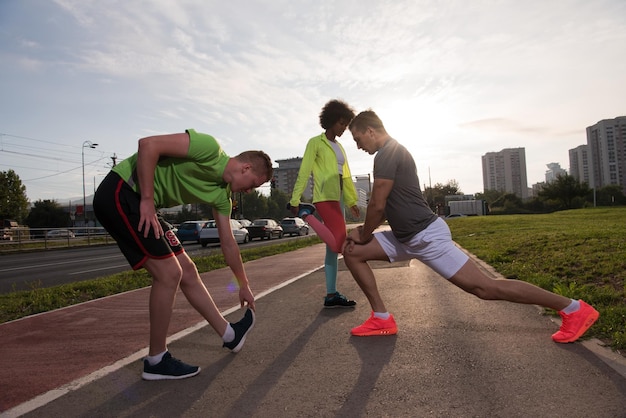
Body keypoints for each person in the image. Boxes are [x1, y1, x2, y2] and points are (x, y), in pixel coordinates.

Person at [343, 110, 599, 343]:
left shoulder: (388, 153)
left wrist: (364, 233)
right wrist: (363, 236)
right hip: (405, 237)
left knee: (485, 288)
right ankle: (381, 318)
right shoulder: (391, 153)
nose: (358, 145)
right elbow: (388, 205)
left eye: (357, 139)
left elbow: (377, 204)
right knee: (353, 252)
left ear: (370, 131)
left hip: (425, 236)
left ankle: (573, 309)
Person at [93, 129, 273, 380]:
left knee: (187, 271)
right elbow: (148, 145)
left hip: (145, 204)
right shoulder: (209, 148)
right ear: (244, 168)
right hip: (122, 191)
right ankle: (156, 360)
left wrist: (243, 285)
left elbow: (229, 243)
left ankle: (229, 335)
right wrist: (146, 199)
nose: (250, 191)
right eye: (253, 184)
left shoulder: (222, 197)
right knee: (170, 274)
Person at [288, 99, 361, 308]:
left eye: (346, 124)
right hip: (324, 198)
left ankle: (331, 295)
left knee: (331, 249)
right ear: (330, 120)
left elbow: (345, 176)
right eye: (341, 123)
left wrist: (351, 200)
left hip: (337, 198)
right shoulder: (315, 143)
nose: (344, 128)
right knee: (338, 244)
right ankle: (306, 214)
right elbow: (304, 172)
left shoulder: (340, 148)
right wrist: (295, 199)